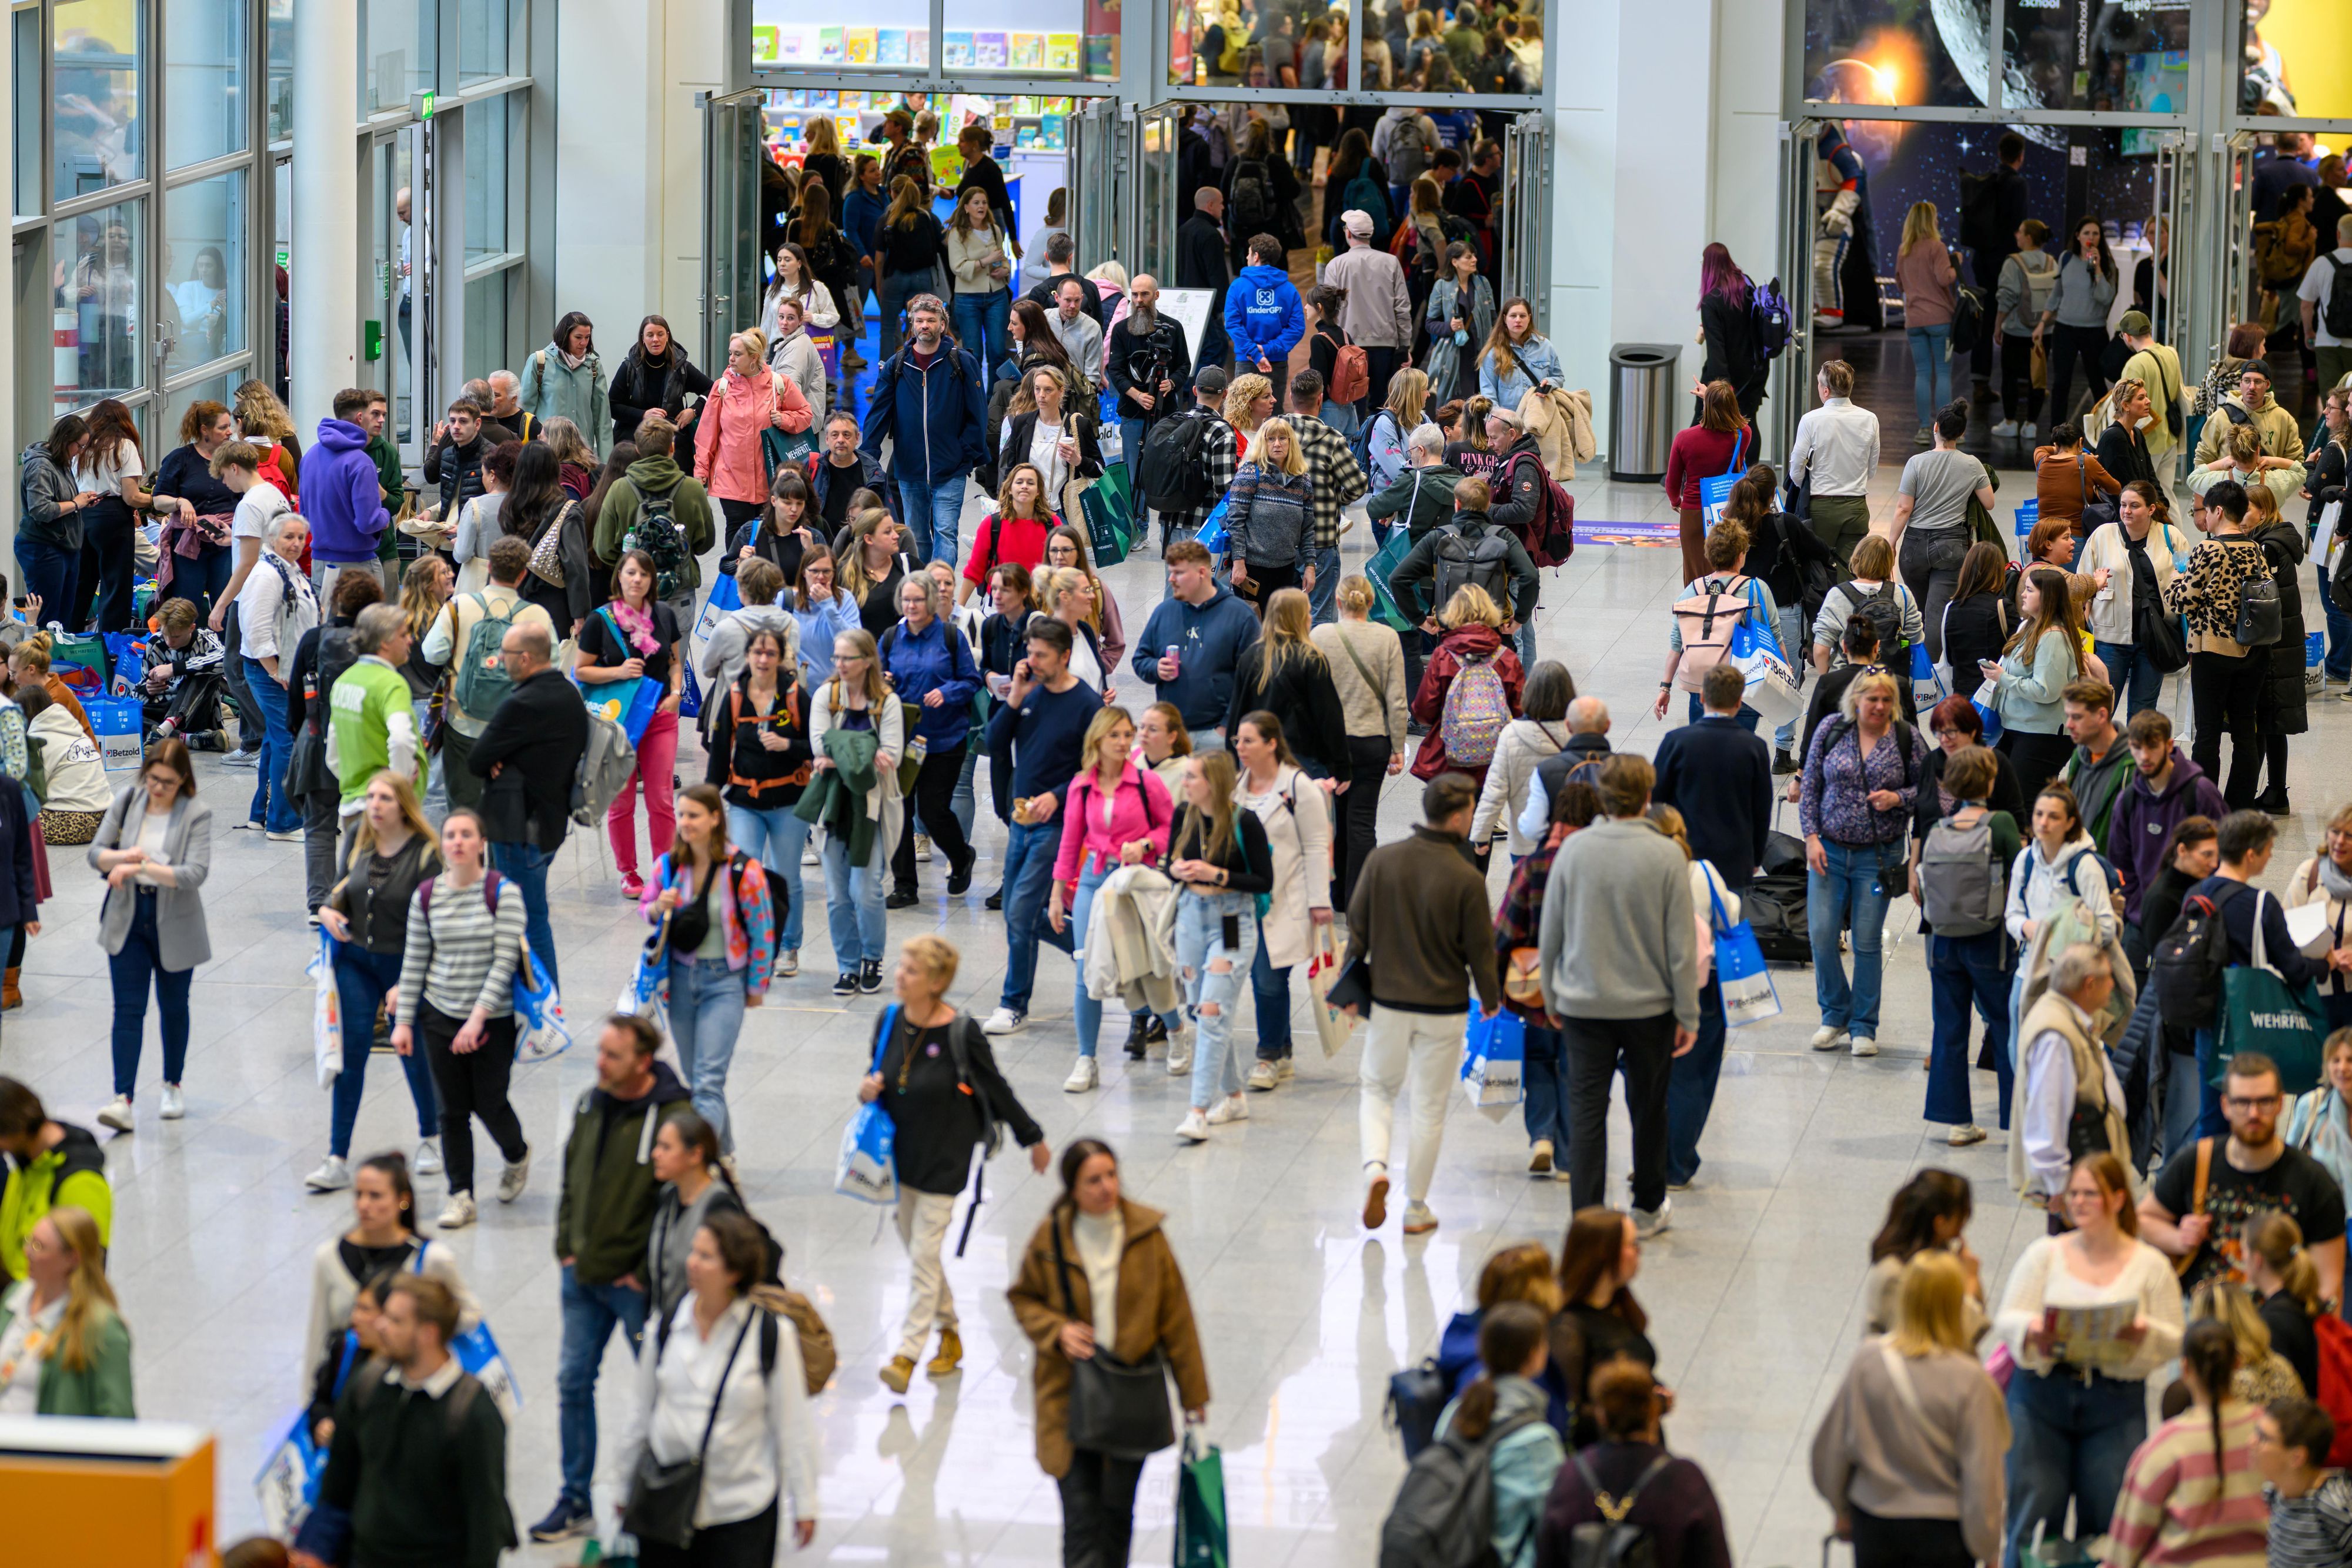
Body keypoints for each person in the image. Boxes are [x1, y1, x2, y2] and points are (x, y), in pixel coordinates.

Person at [858, 935, 1046, 1395]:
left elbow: (996, 1087)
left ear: (937, 981)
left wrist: (1032, 1137)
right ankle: (951, 1331)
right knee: (919, 1253)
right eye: (901, 967)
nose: (900, 975)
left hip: (946, 1160)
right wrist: (867, 1089)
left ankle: (906, 1353)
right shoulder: (887, 1020)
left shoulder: (961, 1032)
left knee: (923, 1255)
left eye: (912, 970)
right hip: (899, 1160)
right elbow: (878, 1077)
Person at [529, 1014, 691, 1544]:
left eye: (612, 1055)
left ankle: (663, 1499)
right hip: (582, 1277)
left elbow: (680, 1207)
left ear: (643, 1061)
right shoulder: (589, 1102)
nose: (599, 1063)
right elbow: (573, 1176)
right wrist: (565, 1247)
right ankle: (575, 1499)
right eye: (600, 1051)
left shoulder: (674, 1118)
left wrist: (641, 1274)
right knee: (573, 1381)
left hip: (633, 1288)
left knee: (660, 1391)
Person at [1007, 1139, 1207, 1567]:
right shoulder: (1052, 1235)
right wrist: (1056, 1329)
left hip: (1128, 1399)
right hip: (1068, 1398)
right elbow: (1023, 1297)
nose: (1106, 1187)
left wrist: (1193, 1395)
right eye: (1093, 1179)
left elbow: (1177, 1317)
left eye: (1111, 1175)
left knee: (1116, 1520)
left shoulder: (1146, 1236)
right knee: (1082, 1523)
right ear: (1073, 1187)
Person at [1988, 1151, 2183, 1568]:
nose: (2078, 1201)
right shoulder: (2045, 1254)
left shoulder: (2150, 1265)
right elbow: (2008, 1316)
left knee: (2110, 1523)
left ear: (2117, 1199)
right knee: (2033, 1519)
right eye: (2073, 1193)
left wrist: (2144, 1332)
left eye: (2089, 1194)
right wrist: (2033, 1331)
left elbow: (2174, 1337)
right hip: (2040, 1397)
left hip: (2115, 1399)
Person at [607, 1207, 820, 1564]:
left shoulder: (770, 1335)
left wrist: (806, 1502)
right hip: (665, 1503)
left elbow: (792, 1423)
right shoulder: (666, 1325)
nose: (692, 1263)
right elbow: (641, 1410)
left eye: (706, 1257)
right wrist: (622, 1482)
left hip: (740, 1512)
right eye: (693, 1252)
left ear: (734, 1270)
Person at [1536, 755, 1698, 1228]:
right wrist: (1688, 1014)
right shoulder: (1667, 855)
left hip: (1583, 1002)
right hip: (1651, 1007)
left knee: (1586, 1111)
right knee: (1649, 1108)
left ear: (1602, 797)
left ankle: (1587, 1215)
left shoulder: (1574, 850)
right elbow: (1680, 947)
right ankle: (1648, 1205)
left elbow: (1553, 933)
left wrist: (1551, 996)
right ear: (1647, 797)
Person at [1344, 772, 1498, 1235]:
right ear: (1457, 816)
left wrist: (1348, 977)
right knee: (1429, 1106)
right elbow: (1480, 952)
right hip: (1444, 1008)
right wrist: (1491, 1002)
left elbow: (1358, 925)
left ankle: (1375, 1168)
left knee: (1377, 1089)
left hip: (1389, 999)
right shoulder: (1466, 877)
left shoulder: (1383, 860)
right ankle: (1416, 1207)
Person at [1812, 1251, 2009, 1568]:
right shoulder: (1970, 1379)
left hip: (1875, 1523)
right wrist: (1988, 1546)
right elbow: (1982, 1474)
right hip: (1945, 1533)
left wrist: (1841, 1508)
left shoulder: (1869, 1360)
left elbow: (1832, 1446)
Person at [303, 1273, 514, 1568]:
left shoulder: (473, 1414)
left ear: (428, 1333)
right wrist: (316, 1550)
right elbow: (338, 1484)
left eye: (395, 1321)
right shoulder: (366, 1387)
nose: (381, 1326)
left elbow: (485, 1518)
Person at [306, 774, 443, 1193]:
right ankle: (337, 1156)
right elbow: (340, 893)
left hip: (406, 964)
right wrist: (328, 911)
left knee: (413, 1051)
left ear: (403, 805)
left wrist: (411, 982)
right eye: (370, 797)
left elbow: (436, 925)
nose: (375, 805)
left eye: (384, 798)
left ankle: (431, 1137)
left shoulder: (427, 855)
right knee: (350, 1055)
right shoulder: (359, 842)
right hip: (356, 962)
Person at [2142, 1045, 2348, 1305]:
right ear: (2226, 1106)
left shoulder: (2314, 1182)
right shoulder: (2197, 1161)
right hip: (2205, 1320)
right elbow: (2145, 1218)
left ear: (2280, 1104)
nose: (2253, 1114)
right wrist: (2179, 1239)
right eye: (2243, 1102)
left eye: (2264, 1101)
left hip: (2278, 1328)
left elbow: (2329, 1288)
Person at [1043, 706, 1179, 1094]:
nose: (1124, 742)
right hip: (1093, 881)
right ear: (1097, 741)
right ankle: (1087, 1058)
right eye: (1115, 735)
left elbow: (1171, 828)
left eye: (1127, 734)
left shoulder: (1146, 783)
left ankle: (1175, 1028)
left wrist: (1147, 844)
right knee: (1086, 970)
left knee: (1145, 968)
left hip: (1134, 880)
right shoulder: (1081, 785)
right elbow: (1070, 842)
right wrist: (1057, 895)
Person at [639, 786, 776, 1156]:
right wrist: (656, 908)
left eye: (694, 815)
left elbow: (763, 931)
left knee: (708, 1082)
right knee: (697, 1078)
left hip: (725, 982)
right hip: (680, 980)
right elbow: (646, 907)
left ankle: (703, 1164)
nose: (685, 823)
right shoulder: (668, 867)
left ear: (716, 818)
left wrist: (756, 985)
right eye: (682, 815)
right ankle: (725, 1152)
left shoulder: (743, 871)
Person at [86, 739, 210, 1135]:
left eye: (168, 782)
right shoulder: (127, 799)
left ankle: (173, 1083)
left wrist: (140, 864)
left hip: (175, 919)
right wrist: (125, 859)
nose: (158, 788)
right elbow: (97, 854)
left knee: (174, 1007)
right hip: (127, 916)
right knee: (128, 1009)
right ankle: (123, 1097)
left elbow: (194, 873)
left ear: (183, 781)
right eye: (154, 778)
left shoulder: (196, 813)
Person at [1799, 671, 1920, 1058]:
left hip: (1878, 856)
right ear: (1856, 700)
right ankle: (1835, 1014)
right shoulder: (1832, 730)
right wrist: (1811, 837)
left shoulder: (1906, 738)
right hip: (1829, 851)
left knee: (1867, 941)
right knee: (1821, 934)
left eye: (1886, 699)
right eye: (1872, 699)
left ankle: (1864, 1025)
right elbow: (1810, 784)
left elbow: (1928, 790)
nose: (1880, 706)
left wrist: (1898, 798)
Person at [299, 1149, 481, 1395]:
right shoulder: (328, 1257)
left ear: (402, 1201)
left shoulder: (431, 1258)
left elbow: (470, 1314)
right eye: (359, 1195)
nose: (365, 1205)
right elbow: (318, 1337)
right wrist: (309, 1405)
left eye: (376, 1196)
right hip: (347, 1394)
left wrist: (413, 1328)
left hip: (414, 1394)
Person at [1915, 745, 2021, 1147]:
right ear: (1990, 782)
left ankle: (1956, 1120)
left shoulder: (1939, 828)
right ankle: (2016, 1121)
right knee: (2005, 1025)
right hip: (1989, 940)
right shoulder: (2002, 823)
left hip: (1943, 939)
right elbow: (2021, 870)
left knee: (1949, 1027)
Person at [2103, 1319, 2265, 1567]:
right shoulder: (2270, 1431)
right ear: (2238, 1363)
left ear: (2185, 1368)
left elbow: (2124, 1547)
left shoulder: (2166, 1445)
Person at [1232, 711, 1337, 1090]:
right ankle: (1284, 1049)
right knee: (1263, 979)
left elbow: (1316, 845)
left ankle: (1268, 1056)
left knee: (1269, 979)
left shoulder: (1299, 788)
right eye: (1238, 742)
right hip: (1244, 899)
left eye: (1248, 741)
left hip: (1286, 900)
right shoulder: (1238, 786)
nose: (1240, 748)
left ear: (1272, 743)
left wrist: (1319, 901)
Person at [576, 550, 685, 900]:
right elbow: (581, 671)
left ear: (653, 580)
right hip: (618, 721)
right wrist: (618, 672)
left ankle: (663, 869)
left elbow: (675, 661)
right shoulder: (600, 621)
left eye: (644, 574)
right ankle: (629, 872)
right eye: (631, 573)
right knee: (622, 800)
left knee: (662, 799)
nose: (637, 580)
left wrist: (677, 692)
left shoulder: (664, 615)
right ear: (619, 577)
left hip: (660, 716)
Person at [803, 628, 904, 997]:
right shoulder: (825, 697)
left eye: (848, 658)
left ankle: (872, 957)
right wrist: (863, 751)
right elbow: (820, 748)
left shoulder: (887, 702)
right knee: (837, 895)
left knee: (867, 891)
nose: (840, 665)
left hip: (872, 807)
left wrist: (842, 751)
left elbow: (890, 756)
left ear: (867, 662)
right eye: (837, 658)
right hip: (832, 806)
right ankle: (847, 966)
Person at [2164, 482, 2270, 809]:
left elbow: (2183, 601)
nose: (2204, 518)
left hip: (2213, 650)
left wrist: (2173, 584)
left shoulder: (2209, 549)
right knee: (2244, 730)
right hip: (2253, 650)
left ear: (2218, 511)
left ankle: (2205, 805)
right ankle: (2238, 804)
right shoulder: (2254, 548)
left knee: (2208, 733)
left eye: (2206, 511)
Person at [862, 294, 987, 567]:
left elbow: (978, 413)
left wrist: (965, 452)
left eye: (931, 320)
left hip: (951, 466)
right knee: (917, 537)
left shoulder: (961, 362)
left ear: (943, 325)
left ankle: (940, 595)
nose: (925, 326)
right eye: (919, 321)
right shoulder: (897, 364)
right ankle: (924, 594)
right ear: (912, 324)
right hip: (910, 466)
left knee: (946, 532)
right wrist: (866, 458)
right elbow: (878, 415)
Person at [880, 573, 981, 907]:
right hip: (901, 741)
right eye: (906, 600)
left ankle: (961, 855)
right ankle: (905, 885)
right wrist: (883, 683)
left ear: (931, 600)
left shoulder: (951, 637)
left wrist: (947, 691)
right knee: (899, 812)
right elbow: (875, 684)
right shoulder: (892, 637)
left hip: (945, 739)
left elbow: (971, 681)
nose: (911, 606)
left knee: (933, 809)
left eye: (917, 600)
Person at [1314, 574, 1409, 907]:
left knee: (1336, 820)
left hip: (1329, 744)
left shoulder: (1321, 635)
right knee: (1362, 821)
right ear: (1371, 603)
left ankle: (1336, 895)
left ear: (1338, 603)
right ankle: (1361, 897)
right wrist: (1398, 747)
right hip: (1371, 742)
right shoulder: (1386, 638)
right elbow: (1397, 699)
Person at [1890, 401, 1999, 665]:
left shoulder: (1916, 462)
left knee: (1916, 612)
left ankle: (1909, 661)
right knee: (1938, 614)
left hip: (1913, 547)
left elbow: (1904, 508)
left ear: (1936, 428)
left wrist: (1891, 543)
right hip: (1951, 547)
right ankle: (1929, 673)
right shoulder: (1972, 465)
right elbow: (1989, 503)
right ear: (1961, 434)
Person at [1132, 541, 1262, 756]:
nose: (1171, 579)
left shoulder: (1239, 615)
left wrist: (1226, 726)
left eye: (1179, 573)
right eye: (1171, 572)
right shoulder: (1165, 612)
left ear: (1202, 572)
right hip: (1171, 733)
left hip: (1217, 736)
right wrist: (1156, 668)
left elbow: (1253, 678)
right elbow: (1140, 659)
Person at [0, 1205, 132, 1416]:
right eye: (29, 1242)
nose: (28, 1253)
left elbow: (118, 1418)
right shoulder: (15, 1298)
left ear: (73, 1258)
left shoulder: (102, 1327)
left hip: (40, 1447)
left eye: (39, 1247)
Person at [234, 511, 317, 839]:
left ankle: (261, 814)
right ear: (272, 539)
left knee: (274, 740)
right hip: (270, 669)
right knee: (288, 741)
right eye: (289, 537)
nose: (296, 544)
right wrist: (275, 670)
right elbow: (254, 629)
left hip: (286, 668)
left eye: (300, 538)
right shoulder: (267, 575)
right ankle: (283, 823)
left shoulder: (289, 569)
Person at [1654, 659, 1773, 887]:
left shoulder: (1676, 741)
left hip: (1685, 855)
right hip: (1734, 859)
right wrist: (1756, 856)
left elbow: (1657, 798)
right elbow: (1761, 809)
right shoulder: (1754, 747)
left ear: (1701, 698)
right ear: (1739, 702)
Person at [2078, 482, 2191, 718]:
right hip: (2111, 638)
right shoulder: (2103, 535)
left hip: (2155, 637)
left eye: (2134, 506)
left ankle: (2135, 756)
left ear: (2151, 509)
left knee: (2143, 710)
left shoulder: (2171, 536)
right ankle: (2099, 756)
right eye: (2123, 505)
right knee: (2100, 709)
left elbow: (2189, 583)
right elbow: (2083, 584)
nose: (2126, 511)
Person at [693, 329, 813, 541]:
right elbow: (706, 434)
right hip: (731, 477)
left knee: (768, 532)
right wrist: (701, 468)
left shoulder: (779, 384)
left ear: (754, 358)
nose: (731, 359)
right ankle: (735, 573)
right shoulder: (721, 388)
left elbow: (805, 414)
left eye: (737, 354)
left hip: (769, 477)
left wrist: (785, 420)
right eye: (730, 353)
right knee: (737, 529)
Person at [1982, 566, 2089, 800]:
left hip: (2043, 734)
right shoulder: (2030, 627)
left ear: (2047, 597)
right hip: (2020, 728)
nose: (2022, 594)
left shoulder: (2053, 637)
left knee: (2024, 801)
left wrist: (2003, 678)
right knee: (2000, 795)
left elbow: (2046, 691)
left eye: (2029, 590)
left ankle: (2032, 838)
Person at [1862, 1170, 1989, 1340]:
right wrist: (1971, 1285)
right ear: (1940, 1223)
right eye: (1960, 1222)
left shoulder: (1941, 1255)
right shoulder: (1894, 1275)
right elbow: (1940, 1341)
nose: (1961, 1233)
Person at [148, 400, 241, 618]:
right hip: (188, 541)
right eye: (223, 428)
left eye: (230, 427)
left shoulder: (234, 459)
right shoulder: (180, 459)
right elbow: (158, 500)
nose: (230, 432)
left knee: (225, 604)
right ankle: (190, 649)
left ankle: (223, 650)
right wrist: (180, 502)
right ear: (204, 430)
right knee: (187, 605)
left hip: (224, 540)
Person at [1787, 359, 1882, 568]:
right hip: (1857, 506)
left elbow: (1796, 466)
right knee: (1850, 570)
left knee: (1818, 570)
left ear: (1826, 391)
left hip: (1821, 507)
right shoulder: (1870, 419)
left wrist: (1804, 484)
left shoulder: (1811, 420)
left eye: (1819, 384)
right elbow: (1871, 468)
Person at [2034, 216, 2120, 434]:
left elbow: (2106, 298)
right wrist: (2043, 323)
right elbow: (2057, 294)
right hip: (2065, 328)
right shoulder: (2066, 259)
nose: (2091, 238)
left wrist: (2098, 269)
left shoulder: (2108, 264)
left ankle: (2105, 430)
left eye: (2095, 234)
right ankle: (2057, 433)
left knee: (2097, 383)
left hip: (2094, 331)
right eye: (2086, 233)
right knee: (2061, 382)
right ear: (2078, 236)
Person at [15, 415, 94, 630]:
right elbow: (40, 510)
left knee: (63, 618)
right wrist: (76, 504)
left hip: (64, 547)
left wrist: (83, 501)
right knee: (48, 616)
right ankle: (41, 661)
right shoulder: (40, 467)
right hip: (43, 547)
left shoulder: (61, 462)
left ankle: (59, 660)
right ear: (67, 439)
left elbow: (63, 501)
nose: (80, 451)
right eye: (79, 446)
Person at [2254, 1396, 2352, 1568]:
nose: (2251, 1442)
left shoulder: (2333, 1505)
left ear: (2297, 1457)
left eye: (2263, 1438)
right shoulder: (2274, 1492)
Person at [1894, 205, 1961, 443]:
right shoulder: (1937, 247)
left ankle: (1924, 428)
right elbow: (1945, 278)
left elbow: (1900, 284)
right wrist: (1956, 265)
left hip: (1914, 320)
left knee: (1922, 373)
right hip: (1939, 319)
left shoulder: (1904, 249)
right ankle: (1945, 430)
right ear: (1931, 221)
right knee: (1943, 372)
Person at [2244, 1211, 2323, 1400]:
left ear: (2257, 1260)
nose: (2241, 1260)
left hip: (2295, 1424)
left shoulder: (2273, 1321)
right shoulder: (2306, 1302)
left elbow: (2279, 1396)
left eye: (2243, 1252)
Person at [609, 314, 713, 452]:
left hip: (672, 438)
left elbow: (713, 388)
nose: (655, 340)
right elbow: (612, 405)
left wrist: (694, 411)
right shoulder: (629, 367)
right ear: (643, 338)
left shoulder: (681, 367)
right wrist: (643, 415)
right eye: (650, 335)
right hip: (633, 438)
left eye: (660, 334)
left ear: (668, 336)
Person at [1224, 233, 1305, 406]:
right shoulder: (1289, 289)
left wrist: (1254, 352)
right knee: (1272, 417)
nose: (1246, 257)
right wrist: (1268, 349)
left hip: (1246, 360)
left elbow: (1232, 324)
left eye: (1249, 253)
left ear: (1256, 256)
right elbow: (1296, 328)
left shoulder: (1238, 287)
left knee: (1242, 414)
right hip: (1277, 361)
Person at [519, 313, 609, 459]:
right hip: (547, 451)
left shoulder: (594, 365)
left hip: (582, 453)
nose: (584, 343)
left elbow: (602, 417)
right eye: (578, 337)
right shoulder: (539, 361)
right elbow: (526, 413)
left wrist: (605, 462)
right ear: (565, 335)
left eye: (587, 337)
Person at [1696, 242, 1768, 424]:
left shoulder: (1711, 302)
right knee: (1748, 425)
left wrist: (1721, 387)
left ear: (1708, 266)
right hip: (1754, 372)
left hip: (1727, 379)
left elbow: (1716, 351)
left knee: (1700, 423)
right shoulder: (1746, 285)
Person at [2196, 359, 2306, 471]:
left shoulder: (2284, 419)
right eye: (2247, 381)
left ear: (2267, 384)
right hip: (2229, 486)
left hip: (2269, 487)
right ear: (2240, 383)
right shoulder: (2219, 418)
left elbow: (2296, 463)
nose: (2252, 387)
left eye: (2258, 381)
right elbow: (2202, 463)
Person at [1476, 295, 1562, 416]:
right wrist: (1499, 419)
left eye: (1522, 316)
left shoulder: (1545, 346)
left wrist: (1548, 382)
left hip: (1540, 418)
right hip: (1508, 422)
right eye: (1513, 316)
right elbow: (1488, 394)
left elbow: (1559, 377)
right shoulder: (1493, 353)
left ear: (1529, 318)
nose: (1518, 320)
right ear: (1505, 319)